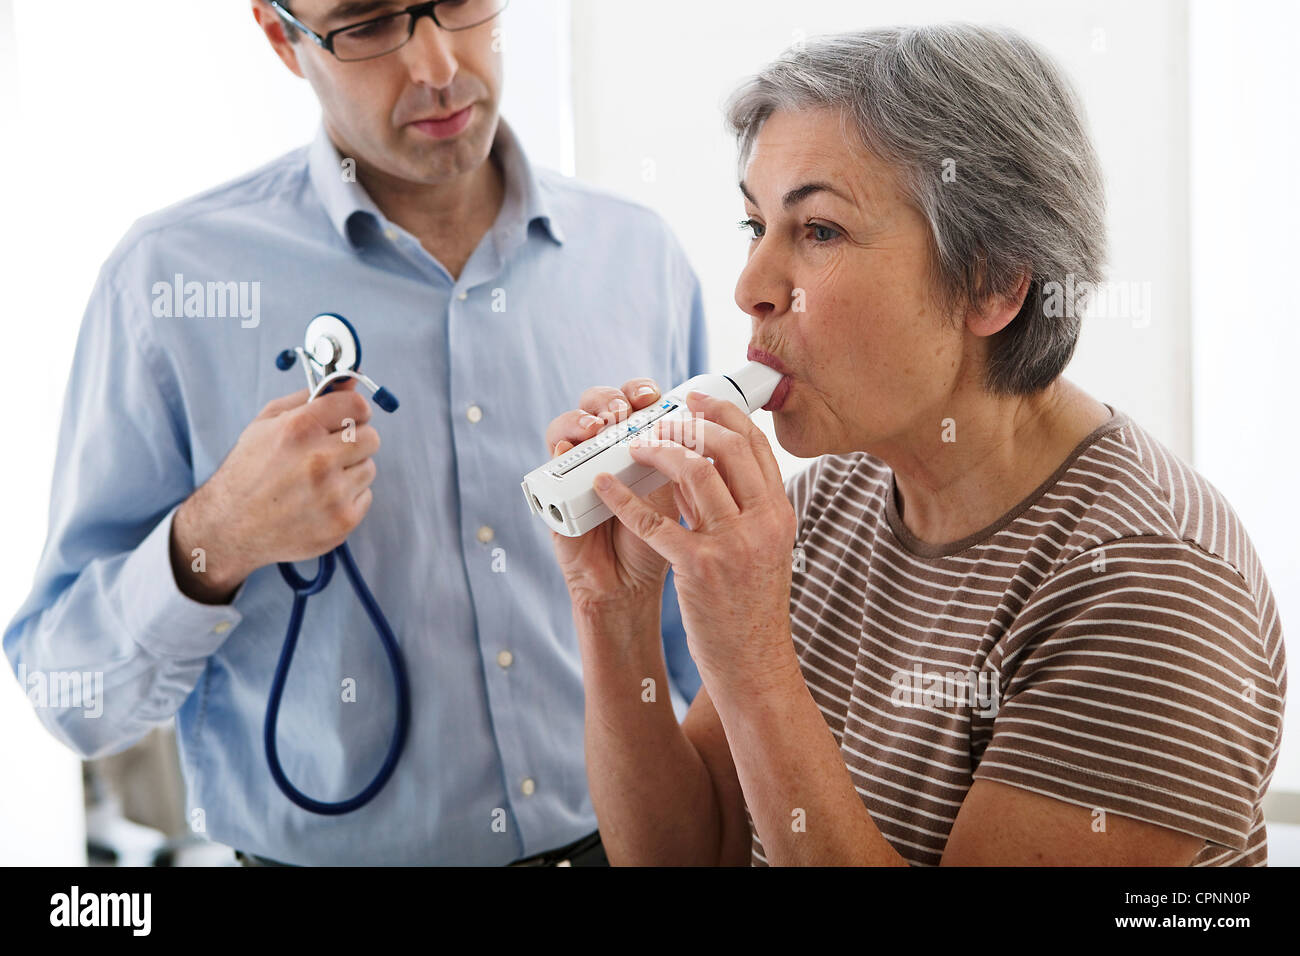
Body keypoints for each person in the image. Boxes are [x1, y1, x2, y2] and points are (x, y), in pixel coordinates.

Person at [544, 24, 1286, 866]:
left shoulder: (1152, 585)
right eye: (755, 225)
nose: (750, 287)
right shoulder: (833, 497)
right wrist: (616, 614)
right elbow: (695, 852)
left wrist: (752, 659)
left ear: (995, 282)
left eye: (819, 231)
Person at [4, 0, 706, 866]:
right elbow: (69, 695)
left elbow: (700, 629)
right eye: (368, 24)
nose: (438, 66)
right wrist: (215, 538)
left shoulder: (638, 257)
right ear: (280, 38)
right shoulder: (166, 284)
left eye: (457, 3)